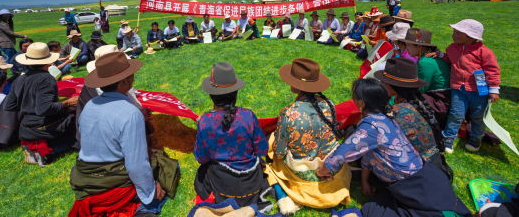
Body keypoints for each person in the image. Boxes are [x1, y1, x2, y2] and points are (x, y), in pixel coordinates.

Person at [317, 78, 470, 217]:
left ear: (361, 103)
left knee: (373, 211)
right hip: (426, 177)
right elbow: (370, 155)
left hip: (417, 188)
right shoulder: (384, 118)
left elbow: (340, 155)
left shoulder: (371, 126)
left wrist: (322, 170)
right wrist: (364, 182)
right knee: (372, 207)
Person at [69, 51, 167, 217]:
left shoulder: (90, 105)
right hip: (114, 183)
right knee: (167, 166)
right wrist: (150, 193)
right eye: (131, 75)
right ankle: (144, 210)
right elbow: (136, 165)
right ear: (124, 81)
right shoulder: (130, 113)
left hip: (85, 178)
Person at [266, 59, 351, 213]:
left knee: (272, 157)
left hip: (303, 170)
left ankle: (287, 195)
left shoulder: (289, 112)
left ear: (296, 84)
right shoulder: (329, 103)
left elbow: (279, 151)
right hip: (331, 166)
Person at [193, 62, 272, 211]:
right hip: (252, 184)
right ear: (235, 93)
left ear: (211, 95)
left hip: (223, 186)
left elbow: (201, 158)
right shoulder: (248, 116)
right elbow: (262, 149)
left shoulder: (205, 121)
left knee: (201, 174)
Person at [4, 42, 78, 165]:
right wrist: (68, 102)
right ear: (49, 61)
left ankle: (37, 148)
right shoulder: (46, 78)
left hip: (25, 127)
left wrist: (29, 104)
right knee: (75, 118)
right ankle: (51, 149)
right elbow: (44, 109)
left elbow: (9, 106)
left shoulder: (20, 79)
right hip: (42, 127)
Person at [374, 58, 449, 173]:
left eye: (384, 82)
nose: (381, 84)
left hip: (418, 170)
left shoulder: (400, 111)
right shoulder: (417, 102)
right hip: (434, 164)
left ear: (394, 86)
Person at [440, 19, 500, 154]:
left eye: (456, 33)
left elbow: (492, 70)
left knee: (478, 116)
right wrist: (439, 56)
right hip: (458, 89)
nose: (453, 35)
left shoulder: (483, 52)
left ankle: (475, 139)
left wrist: (494, 89)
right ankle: (448, 139)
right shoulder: (452, 48)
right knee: (456, 114)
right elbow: (448, 60)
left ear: (469, 37)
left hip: (479, 91)